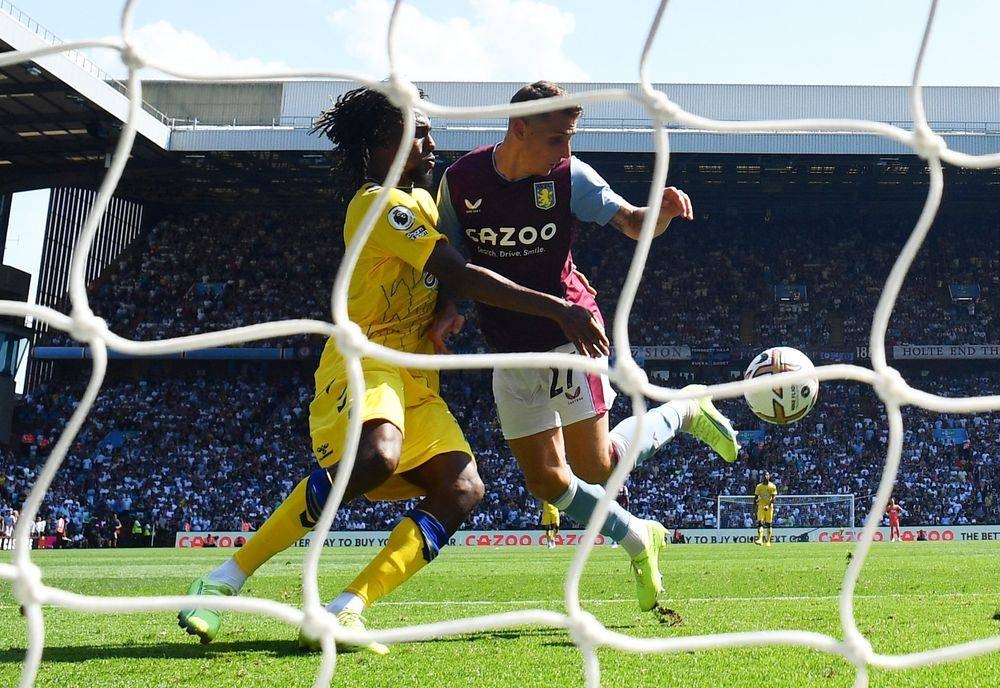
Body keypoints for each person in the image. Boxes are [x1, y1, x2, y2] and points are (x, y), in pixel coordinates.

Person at [178, 86, 608, 654]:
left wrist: (445, 315)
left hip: (414, 376)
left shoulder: (427, 207)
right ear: (383, 144)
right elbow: (456, 272)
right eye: (419, 132)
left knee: (463, 488)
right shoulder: (375, 203)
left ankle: (345, 610)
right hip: (364, 362)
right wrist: (557, 309)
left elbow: (445, 281)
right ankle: (220, 581)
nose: (432, 143)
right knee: (377, 455)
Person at [436, 81, 740, 611]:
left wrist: (660, 212)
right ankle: (637, 538)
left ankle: (683, 410)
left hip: (571, 333)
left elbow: (630, 222)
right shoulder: (460, 180)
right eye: (557, 138)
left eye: (570, 138)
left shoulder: (569, 176)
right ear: (519, 128)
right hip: (509, 348)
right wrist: (448, 312)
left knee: (596, 467)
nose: (567, 150)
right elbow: (454, 258)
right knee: (548, 483)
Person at [754, 471, 778, 546]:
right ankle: (760, 539)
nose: (765, 476)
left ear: (769, 476)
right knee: (760, 523)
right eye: (764, 475)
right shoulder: (759, 486)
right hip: (761, 506)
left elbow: (774, 498)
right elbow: (755, 497)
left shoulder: (772, 486)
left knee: (768, 524)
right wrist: (754, 508)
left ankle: (768, 541)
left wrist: (768, 505)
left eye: (767, 475)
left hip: (769, 507)